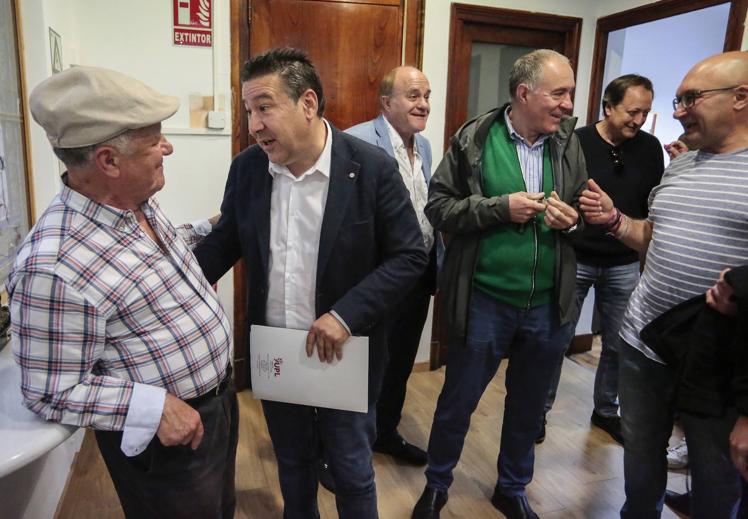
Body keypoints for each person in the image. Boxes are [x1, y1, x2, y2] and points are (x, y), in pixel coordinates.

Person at [193, 48, 428, 519]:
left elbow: (410, 256)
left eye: (264, 107)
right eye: (247, 110)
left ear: (307, 103)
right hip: (278, 350)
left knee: (351, 468)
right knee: (293, 464)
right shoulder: (248, 169)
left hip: (345, 349)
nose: (254, 124)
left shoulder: (370, 168)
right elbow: (224, 245)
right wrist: (167, 288)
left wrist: (346, 315)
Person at [8, 66, 236, 519]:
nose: (167, 147)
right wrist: (153, 407)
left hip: (217, 405)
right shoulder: (53, 266)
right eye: (155, 139)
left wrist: (218, 223)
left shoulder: (133, 204)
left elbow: (155, 250)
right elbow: (49, 390)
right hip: (168, 436)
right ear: (109, 161)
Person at [412, 49, 587, 519]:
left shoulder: (568, 144)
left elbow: (586, 216)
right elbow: (439, 207)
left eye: (570, 92)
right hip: (484, 301)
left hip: (548, 305)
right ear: (523, 93)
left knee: (529, 406)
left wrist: (572, 223)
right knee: (458, 401)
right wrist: (497, 208)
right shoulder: (474, 139)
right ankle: (436, 485)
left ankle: (512, 488)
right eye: (560, 93)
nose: (569, 103)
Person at [580, 51, 748, 519]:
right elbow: (653, 235)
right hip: (643, 344)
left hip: (716, 363)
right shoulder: (681, 165)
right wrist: (615, 221)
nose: (676, 111)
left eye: (690, 98)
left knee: (716, 475)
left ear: (740, 98)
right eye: (676, 100)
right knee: (640, 454)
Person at [544, 74, 664, 445]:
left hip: (623, 262)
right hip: (574, 258)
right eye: (631, 111)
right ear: (608, 107)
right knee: (555, 339)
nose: (639, 120)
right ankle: (537, 412)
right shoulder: (574, 142)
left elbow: (653, 206)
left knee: (618, 343)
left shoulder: (650, 147)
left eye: (645, 112)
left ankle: (606, 410)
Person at [346, 65, 438, 464]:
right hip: (378, 277)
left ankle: (385, 432)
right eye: (414, 95)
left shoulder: (426, 146)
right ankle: (343, 450)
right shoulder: (357, 142)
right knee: (361, 369)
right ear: (387, 102)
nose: (424, 104)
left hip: (417, 276)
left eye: (427, 96)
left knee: (399, 362)